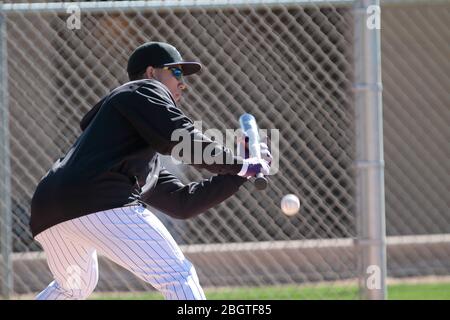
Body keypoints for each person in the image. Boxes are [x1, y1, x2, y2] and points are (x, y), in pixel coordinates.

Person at [30, 41, 272, 300]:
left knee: (72, 287)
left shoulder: (125, 153)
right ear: (151, 73)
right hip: (97, 200)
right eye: (176, 72)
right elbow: (182, 138)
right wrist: (243, 164)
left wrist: (240, 174)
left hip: (49, 209)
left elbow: (183, 203)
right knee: (178, 277)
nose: (183, 83)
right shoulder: (142, 90)